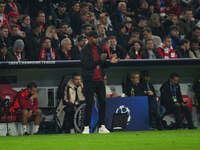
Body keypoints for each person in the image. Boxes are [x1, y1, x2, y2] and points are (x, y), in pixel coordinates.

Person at [80, 31, 119, 134]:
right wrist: (99, 62)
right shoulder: (84, 50)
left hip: (99, 80)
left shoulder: (99, 49)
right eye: (94, 38)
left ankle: (102, 126)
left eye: (96, 38)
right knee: (89, 103)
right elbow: (86, 65)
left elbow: (102, 64)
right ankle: (86, 127)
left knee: (103, 102)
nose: (96, 39)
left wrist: (110, 62)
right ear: (89, 38)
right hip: (89, 80)